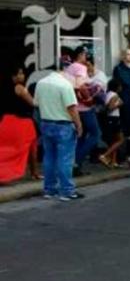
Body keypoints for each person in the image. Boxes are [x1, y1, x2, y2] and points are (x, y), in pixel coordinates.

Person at [34, 66, 84, 201]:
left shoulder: (41, 83)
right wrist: (79, 125)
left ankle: (49, 190)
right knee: (65, 159)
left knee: (49, 157)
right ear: (64, 71)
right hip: (63, 125)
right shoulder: (65, 85)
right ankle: (67, 191)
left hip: (46, 123)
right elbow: (72, 108)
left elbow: (36, 103)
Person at [0, 65, 41, 183]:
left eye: (22, 73)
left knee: (7, 150)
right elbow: (33, 103)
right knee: (32, 148)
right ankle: (34, 173)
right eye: (19, 73)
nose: (22, 76)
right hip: (22, 123)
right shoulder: (19, 87)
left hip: (6, 121)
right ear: (13, 76)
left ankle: (34, 172)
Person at [67, 46, 102, 177]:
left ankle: (76, 168)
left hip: (74, 107)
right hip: (85, 108)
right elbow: (81, 85)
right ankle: (76, 162)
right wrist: (89, 99)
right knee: (95, 134)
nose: (86, 57)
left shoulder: (69, 68)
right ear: (80, 55)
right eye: (85, 54)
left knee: (81, 137)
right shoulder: (81, 68)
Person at [112, 48, 130, 168]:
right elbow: (118, 85)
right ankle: (120, 157)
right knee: (123, 130)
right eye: (128, 54)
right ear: (123, 56)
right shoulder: (118, 69)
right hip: (124, 102)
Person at [99, 79, 125, 168]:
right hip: (114, 118)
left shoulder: (107, 94)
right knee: (120, 140)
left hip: (109, 119)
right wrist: (119, 104)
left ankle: (114, 162)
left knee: (114, 141)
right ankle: (105, 155)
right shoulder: (114, 95)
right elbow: (110, 107)